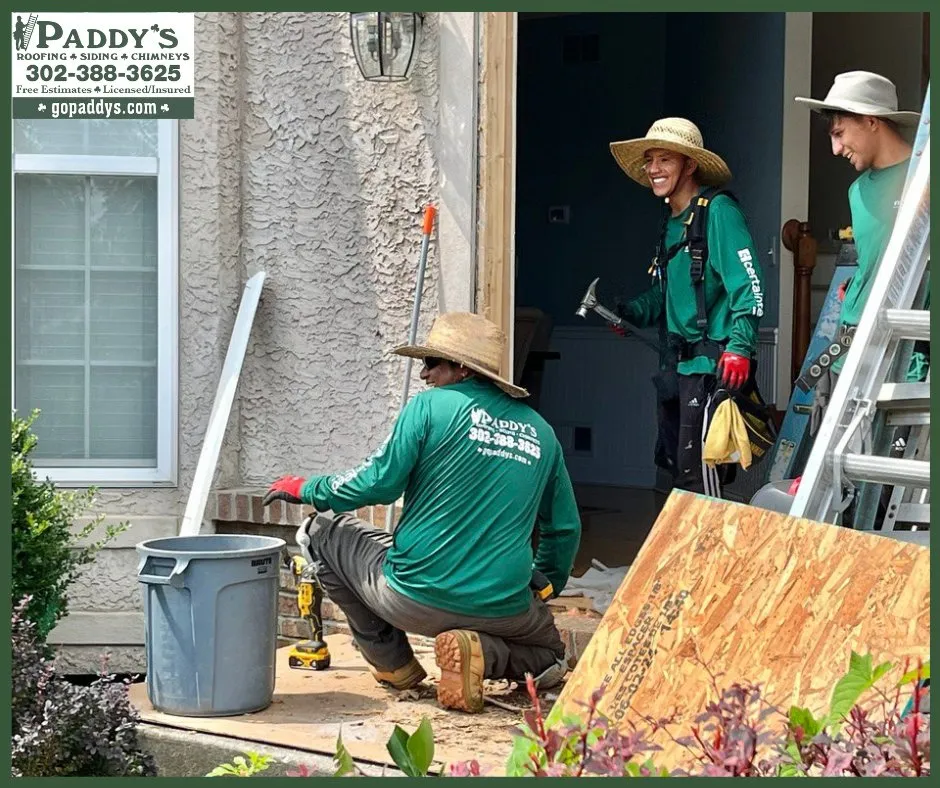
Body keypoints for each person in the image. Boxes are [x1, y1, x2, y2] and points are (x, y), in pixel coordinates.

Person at [262, 312, 581, 714]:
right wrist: (542, 585)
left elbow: (377, 484)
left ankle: (394, 665)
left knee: (318, 531)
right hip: (504, 607)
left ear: (462, 367)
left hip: (412, 597)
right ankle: (482, 652)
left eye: (431, 364)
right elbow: (565, 529)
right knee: (552, 657)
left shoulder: (429, 408)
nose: (424, 375)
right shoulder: (541, 431)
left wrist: (308, 488)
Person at [607, 117, 765, 498]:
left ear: (689, 165)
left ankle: (707, 558)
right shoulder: (672, 224)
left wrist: (740, 347)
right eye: (650, 161)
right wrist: (627, 311)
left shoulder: (718, 212)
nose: (654, 169)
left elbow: (750, 285)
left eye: (665, 160)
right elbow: (663, 296)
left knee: (701, 484)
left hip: (711, 371)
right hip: (675, 370)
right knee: (675, 475)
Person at [794, 71, 923, 423]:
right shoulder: (857, 191)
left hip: (901, 355)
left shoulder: (924, 179)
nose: (835, 150)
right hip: (847, 350)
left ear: (871, 121)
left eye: (839, 134)